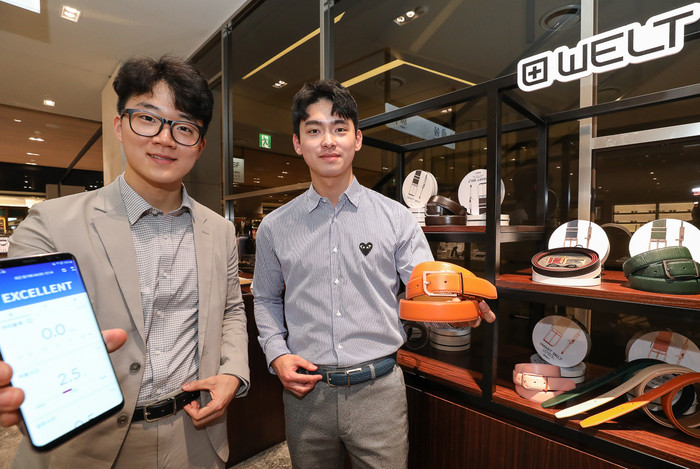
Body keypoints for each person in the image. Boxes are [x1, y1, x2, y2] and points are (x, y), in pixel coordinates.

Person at [3, 55, 249, 469]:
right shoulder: (50, 224)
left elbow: (231, 310)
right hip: (85, 445)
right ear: (119, 125)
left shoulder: (219, 231)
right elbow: (21, 336)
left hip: (193, 435)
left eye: (184, 127)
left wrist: (233, 372)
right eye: (148, 119)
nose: (165, 139)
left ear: (200, 145)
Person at [252, 79, 495, 468]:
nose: (328, 141)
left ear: (357, 139)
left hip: (379, 391)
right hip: (306, 394)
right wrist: (276, 354)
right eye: (314, 131)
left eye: (339, 128)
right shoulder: (275, 226)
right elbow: (265, 297)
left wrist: (458, 313)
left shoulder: (396, 218)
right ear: (298, 143)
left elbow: (423, 293)